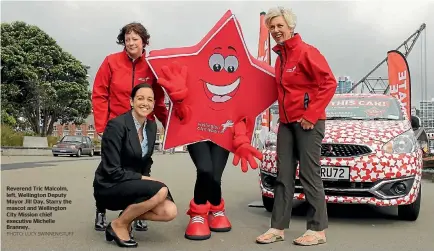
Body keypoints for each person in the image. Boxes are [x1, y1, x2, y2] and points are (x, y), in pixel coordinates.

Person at [255, 6, 337, 246]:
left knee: (310, 175)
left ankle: (317, 229)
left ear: (290, 27)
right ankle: (277, 227)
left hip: (308, 123)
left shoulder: (306, 52)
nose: (276, 30)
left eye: (280, 25)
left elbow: (329, 83)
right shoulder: (281, 59)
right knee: (284, 176)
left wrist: (311, 115)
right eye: (272, 27)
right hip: (287, 124)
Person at [92, 22, 169, 232]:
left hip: (143, 124)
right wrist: (101, 124)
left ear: (144, 41)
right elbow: (100, 93)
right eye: (127, 39)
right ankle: (101, 209)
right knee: (110, 168)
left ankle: (138, 210)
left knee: (141, 166)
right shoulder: (111, 62)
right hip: (116, 125)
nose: (131, 42)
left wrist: (168, 123)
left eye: (135, 38)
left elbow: (159, 99)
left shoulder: (151, 65)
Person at [93, 83, 177, 248]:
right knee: (161, 189)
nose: (145, 103)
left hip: (133, 184)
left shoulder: (152, 127)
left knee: (169, 211)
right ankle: (118, 225)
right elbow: (112, 170)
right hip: (110, 184)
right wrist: (144, 179)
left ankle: (126, 217)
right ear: (131, 101)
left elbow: (146, 161)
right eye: (140, 98)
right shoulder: (116, 125)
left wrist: (145, 182)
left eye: (150, 100)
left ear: (153, 104)